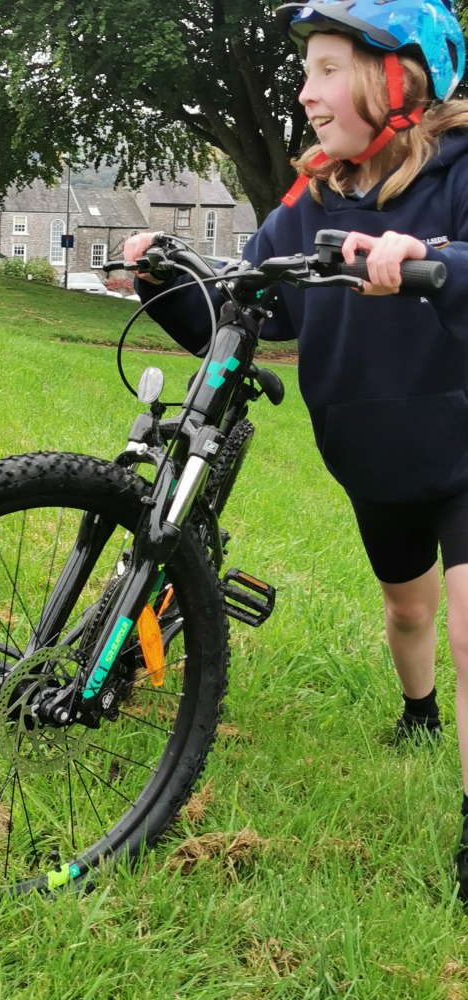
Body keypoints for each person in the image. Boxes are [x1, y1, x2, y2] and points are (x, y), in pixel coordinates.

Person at [124, 0, 468, 897]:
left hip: (465, 441)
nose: (306, 93)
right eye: (305, 71)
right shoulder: (310, 197)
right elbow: (241, 312)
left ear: (397, 79)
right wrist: (166, 280)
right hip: (373, 455)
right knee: (408, 615)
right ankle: (418, 712)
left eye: (326, 69)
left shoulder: (464, 171)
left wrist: (430, 258)